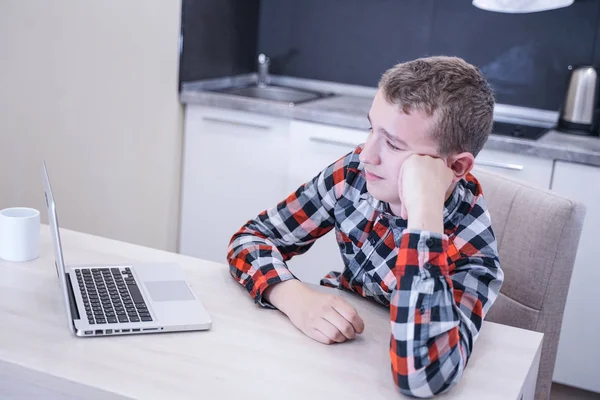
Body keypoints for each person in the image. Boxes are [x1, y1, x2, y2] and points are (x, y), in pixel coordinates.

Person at [226, 56, 503, 398]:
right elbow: (250, 238)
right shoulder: (355, 174)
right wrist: (292, 297)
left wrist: (424, 216)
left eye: (393, 144)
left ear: (457, 165)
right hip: (336, 353)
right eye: (372, 128)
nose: (367, 154)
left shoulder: (471, 248)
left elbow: (423, 378)